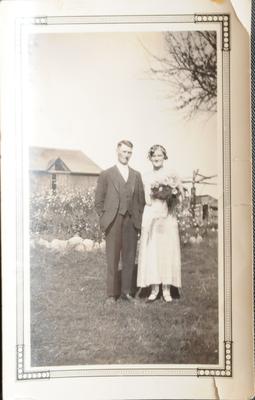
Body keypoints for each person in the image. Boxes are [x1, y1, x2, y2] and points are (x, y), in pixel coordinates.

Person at [95, 140, 145, 303]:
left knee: (129, 257)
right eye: (124, 152)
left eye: (129, 152)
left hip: (131, 221)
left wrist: (138, 219)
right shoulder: (106, 174)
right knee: (113, 258)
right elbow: (99, 201)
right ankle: (111, 294)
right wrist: (105, 218)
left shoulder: (136, 175)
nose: (126, 155)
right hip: (113, 221)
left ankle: (127, 292)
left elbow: (140, 200)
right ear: (117, 151)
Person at [137, 144, 182, 303]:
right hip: (151, 214)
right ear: (150, 158)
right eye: (154, 156)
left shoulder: (172, 175)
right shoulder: (145, 176)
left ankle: (167, 289)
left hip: (167, 215)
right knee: (153, 250)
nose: (156, 158)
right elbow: (146, 200)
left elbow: (179, 196)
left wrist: (171, 194)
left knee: (167, 250)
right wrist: (153, 191)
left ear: (164, 157)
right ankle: (154, 289)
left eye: (159, 155)